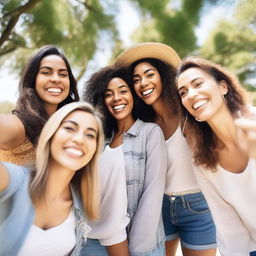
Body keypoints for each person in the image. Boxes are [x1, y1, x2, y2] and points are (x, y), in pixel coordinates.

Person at [114, 42, 217, 256]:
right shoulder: (142, 124)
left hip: (198, 207)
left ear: (162, 76)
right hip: (158, 207)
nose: (143, 83)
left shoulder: (189, 112)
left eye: (149, 74)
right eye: (136, 80)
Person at [175, 56, 256, 256]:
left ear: (223, 87)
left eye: (198, 84)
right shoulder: (203, 161)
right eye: (183, 93)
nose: (191, 94)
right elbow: (230, 231)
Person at [82, 66, 167, 256]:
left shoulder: (150, 132)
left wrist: (137, 248)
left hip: (138, 243)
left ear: (133, 96)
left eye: (123, 91)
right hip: (94, 241)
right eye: (109, 94)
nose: (116, 98)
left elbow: (152, 193)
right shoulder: (100, 140)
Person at [0, 101, 104, 256]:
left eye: (90, 135)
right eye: (69, 128)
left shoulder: (79, 206)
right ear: (51, 134)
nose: (79, 139)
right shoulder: (11, 178)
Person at [0, 45, 79, 166]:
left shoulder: (70, 129)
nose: (56, 79)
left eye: (63, 74)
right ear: (33, 80)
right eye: (46, 72)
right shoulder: (19, 127)